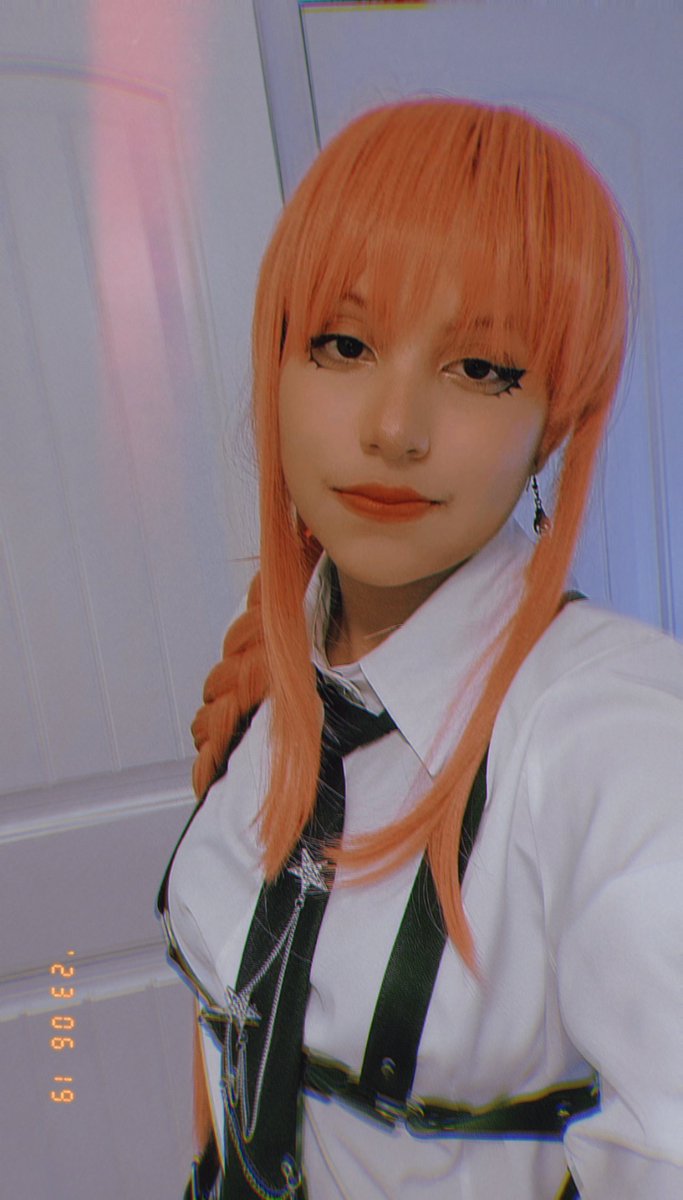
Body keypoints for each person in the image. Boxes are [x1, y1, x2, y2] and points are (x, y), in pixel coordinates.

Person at [157, 99, 683, 1200]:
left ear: (552, 421)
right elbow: (227, 1029)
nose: (393, 428)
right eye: (343, 345)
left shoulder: (616, 736)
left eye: (480, 368)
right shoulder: (280, 670)